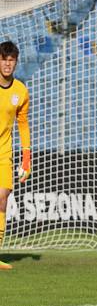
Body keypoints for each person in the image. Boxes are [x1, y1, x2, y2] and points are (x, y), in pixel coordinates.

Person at [0, 41, 31, 270]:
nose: (7, 64)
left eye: (11, 60)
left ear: (16, 62)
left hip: (4, 151)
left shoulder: (20, 91)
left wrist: (26, 159)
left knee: (2, 196)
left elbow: (23, 125)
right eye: (3, 59)